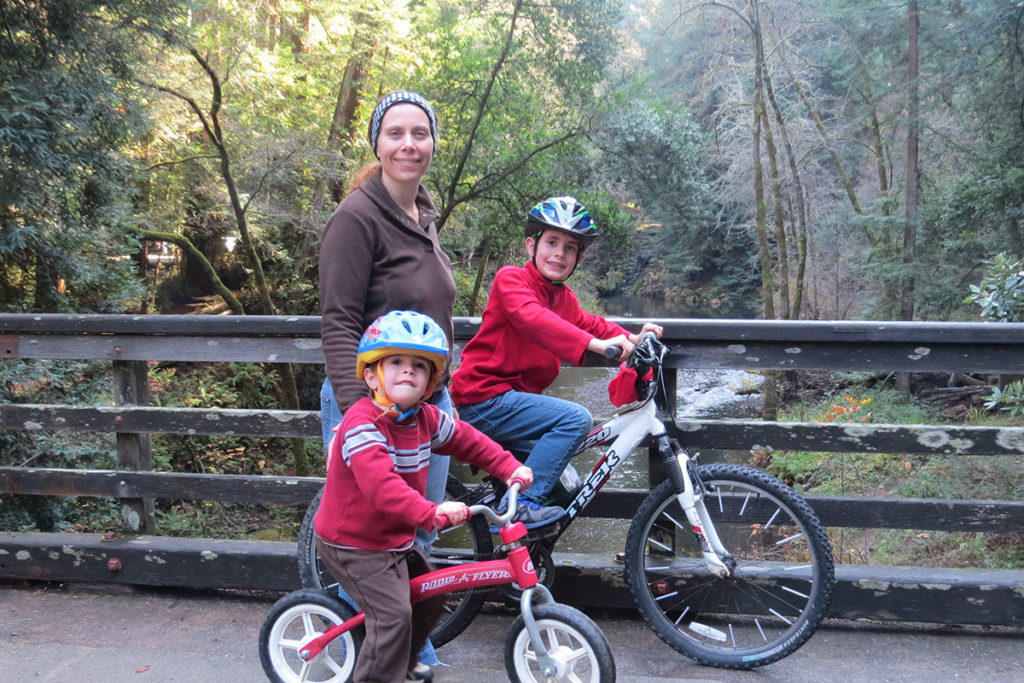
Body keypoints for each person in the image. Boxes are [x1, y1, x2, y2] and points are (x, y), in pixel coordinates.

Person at [314, 311, 533, 683]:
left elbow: (466, 439)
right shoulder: (362, 425)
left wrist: (508, 466)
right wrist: (431, 511)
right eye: (395, 362)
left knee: (429, 600)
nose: (407, 371)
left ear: (430, 383)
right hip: (353, 543)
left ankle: (404, 662)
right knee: (392, 617)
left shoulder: (425, 417)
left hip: (392, 539)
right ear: (371, 375)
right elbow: (383, 489)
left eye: (419, 366)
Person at [318, 90, 455, 666]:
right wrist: (360, 414)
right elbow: (339, 321)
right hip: (371, 403)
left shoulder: (421, 213)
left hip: (424, 398)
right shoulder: (356, 217)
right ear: (377, 142)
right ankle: (375, 652)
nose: (408, 144)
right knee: (371, 536)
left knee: (416, 530)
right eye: (395, 133)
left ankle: (407, 644)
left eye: (419, 134)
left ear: (432, 144)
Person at [450, 196, 663, 528]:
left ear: (579, 257)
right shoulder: (511, 280)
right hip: (483, 399)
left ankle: (515, 554)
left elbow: (589, 323)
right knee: (576, 420)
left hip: (513, 404)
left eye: (570, 248)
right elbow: (534, 319)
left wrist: (632, 338)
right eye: (551, 242)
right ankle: (522, 505)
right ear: (530, 245)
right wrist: (597, 346)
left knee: (566, 483)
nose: (559, 254)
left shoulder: (563, 298)